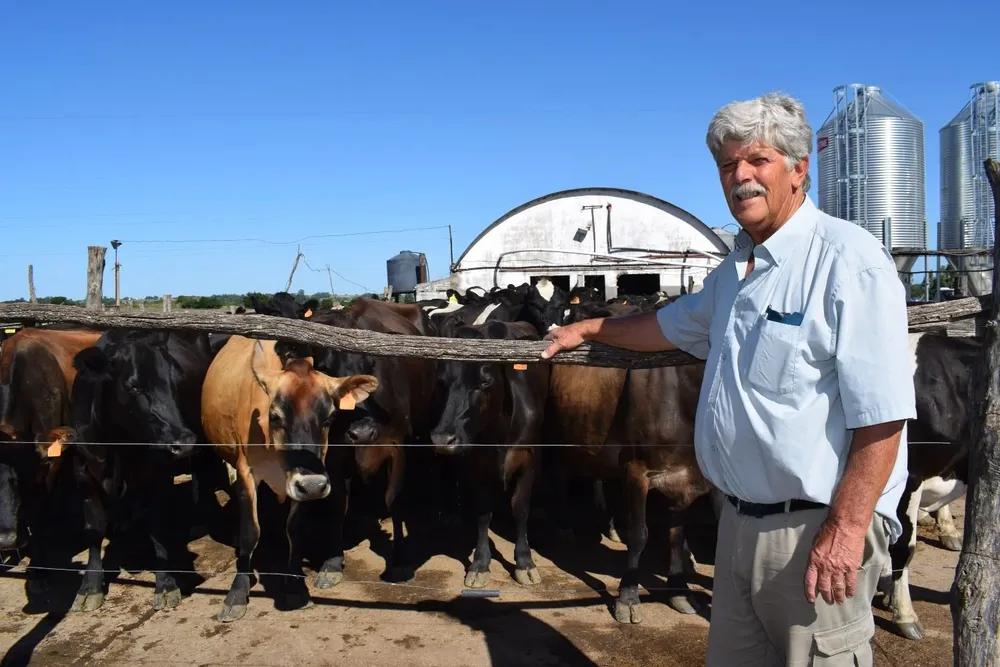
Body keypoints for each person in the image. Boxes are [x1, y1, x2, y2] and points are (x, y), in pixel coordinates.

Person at [541, 92, 915, 667]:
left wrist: (846, 528)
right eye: (726, 165)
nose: (740, 177)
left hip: (815, 530)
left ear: (799, 168)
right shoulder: (733, 274)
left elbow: (883, 415)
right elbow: (665, 326)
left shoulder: (848, 261)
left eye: (758, 160)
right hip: (735, 525)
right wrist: (589, 327)